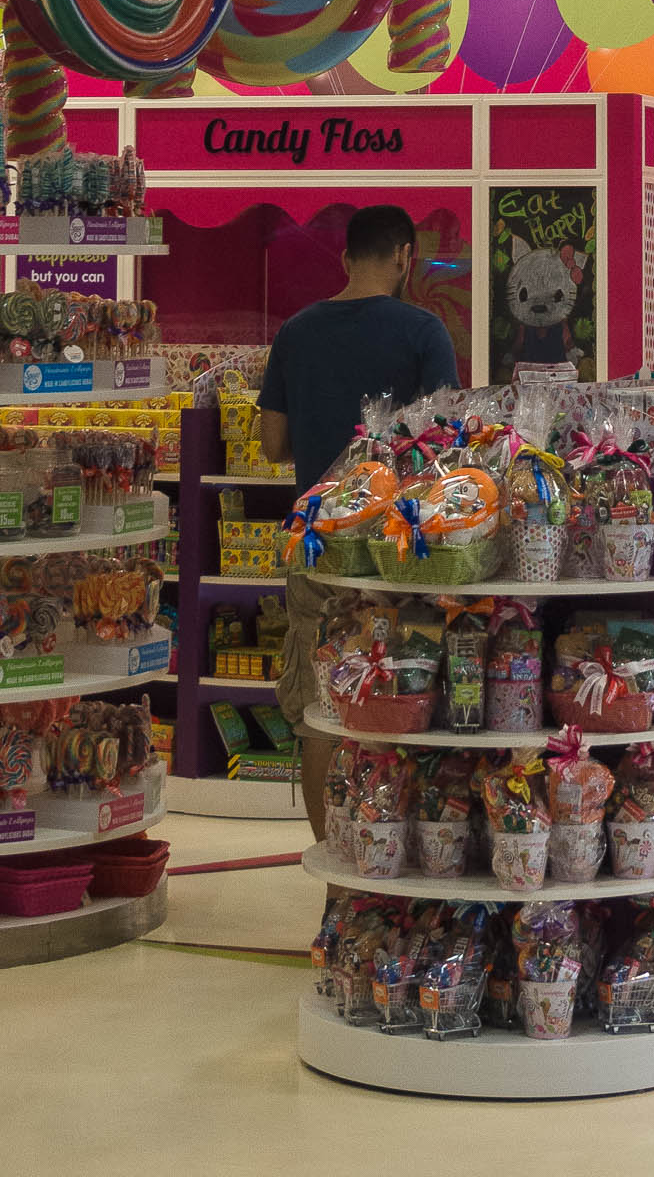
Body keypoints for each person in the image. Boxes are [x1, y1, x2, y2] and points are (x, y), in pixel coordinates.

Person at [259, 205, 459, 835]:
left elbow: (272, 444)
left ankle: (333, 864)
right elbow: (445, 448)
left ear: (345, 258)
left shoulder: (295, 332)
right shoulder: (425, 332)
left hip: (319, 545)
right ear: (404, 257)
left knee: (323, 711)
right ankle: (396, 853)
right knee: (406, 698)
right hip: (402, 551)